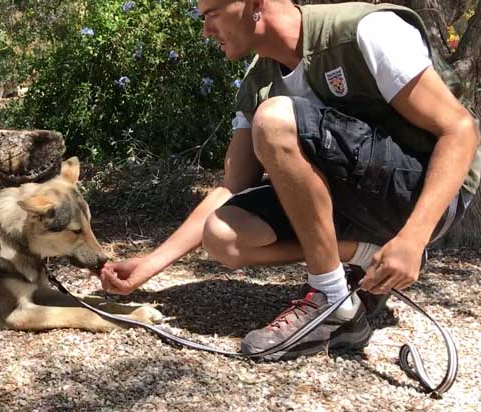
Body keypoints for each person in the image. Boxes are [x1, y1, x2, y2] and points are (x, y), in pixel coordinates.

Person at [99, 0, 481, 360]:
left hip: (422, 196)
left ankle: (328, 298)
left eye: (212, 13)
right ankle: (361, 258)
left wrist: (413, 238)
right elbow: (231, 187)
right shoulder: (259, 82)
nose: (205, 30)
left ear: (255, 6)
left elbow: (460, 130)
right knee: (225, 235)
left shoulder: (365, 31)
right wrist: (150, 264)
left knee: (276, 119)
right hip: (354, 197)